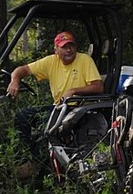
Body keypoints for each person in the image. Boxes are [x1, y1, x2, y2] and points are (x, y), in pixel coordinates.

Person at [7, 31, 104, 163]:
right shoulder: (51, 62)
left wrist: (74, 91)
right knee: (22, 116)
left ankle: (38, 165)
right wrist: (15, 80)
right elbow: (21, 70)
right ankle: (24, 158)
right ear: (56, 50)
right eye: (64, 47)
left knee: (46, 126)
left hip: (77, 109)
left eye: (71, 46)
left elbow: (98, 87)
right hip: (58, 108)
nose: (69, 50)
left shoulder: (84, 60)